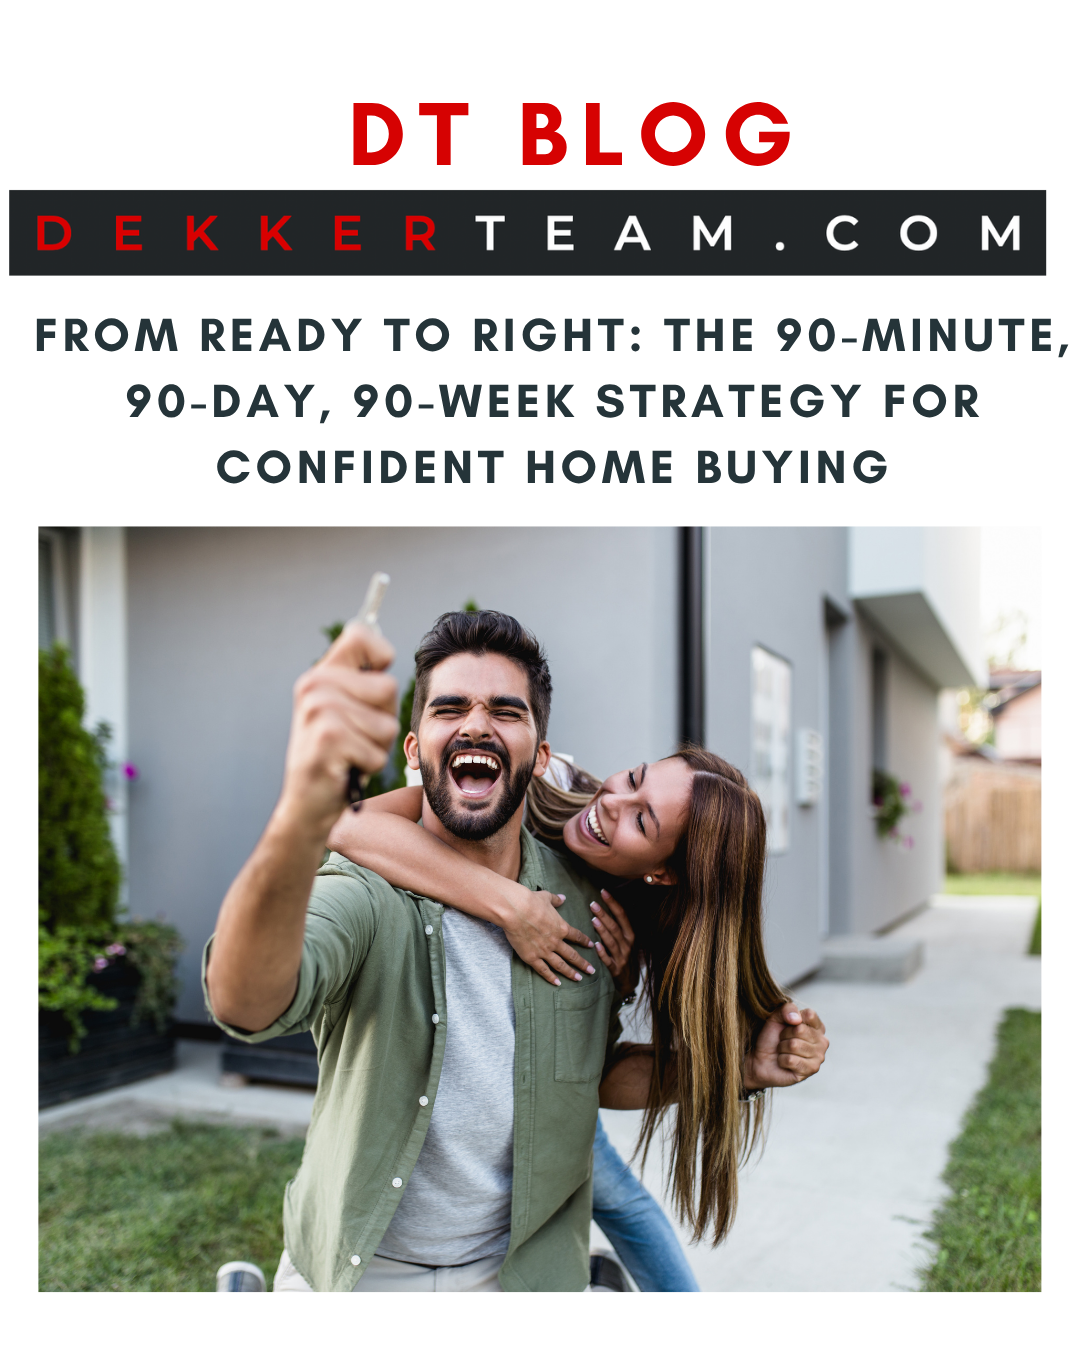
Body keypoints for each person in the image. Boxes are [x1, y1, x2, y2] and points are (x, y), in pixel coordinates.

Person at [327, 669, 830, 1281]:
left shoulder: (642, 923)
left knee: (620, 1201)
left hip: (547, 1078)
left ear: (664, 874)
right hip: (463, 1087)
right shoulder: (543, 777)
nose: (611, 803)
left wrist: (738, 1062)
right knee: (613, 1197)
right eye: (635, 778)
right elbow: (347, 825)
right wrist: (510, 907)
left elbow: (594, 1077)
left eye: (642, 822)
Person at [205, 610, 627, 1291]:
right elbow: (243, 1002)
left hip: (516, 1273)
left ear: (541, 756)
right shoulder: (367, 892)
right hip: (360, 1273)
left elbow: (599, 1075)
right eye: (450, 707)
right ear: (414, 746)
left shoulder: (582, 903)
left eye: (506, 711)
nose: (476, 725)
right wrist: (300, 813)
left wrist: (737, 1065)